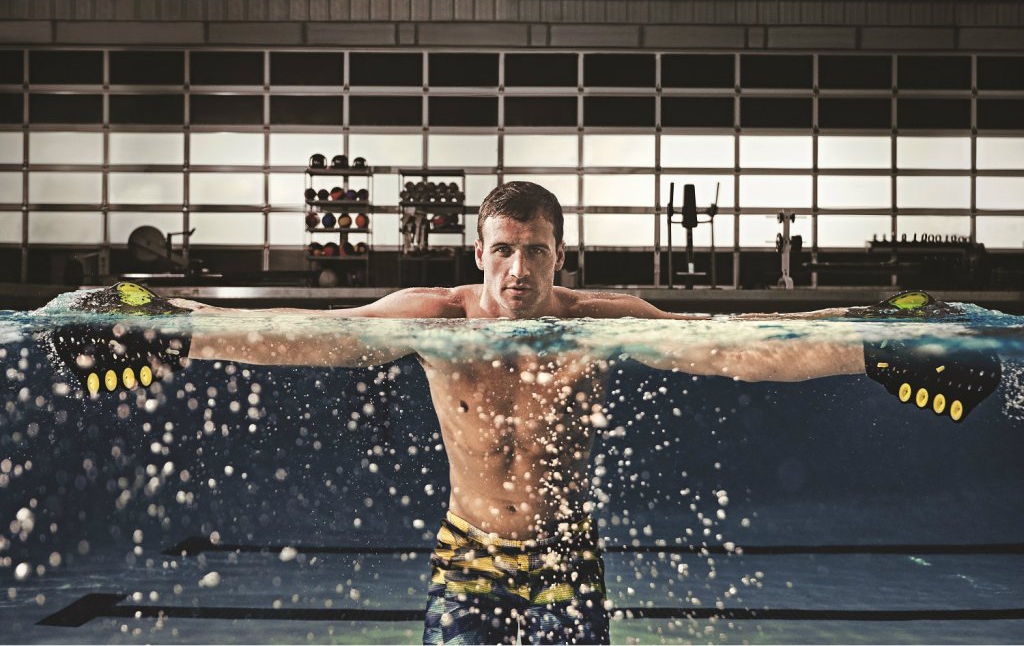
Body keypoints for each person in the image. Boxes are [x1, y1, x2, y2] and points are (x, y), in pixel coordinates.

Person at [49, 181, 1001, 645]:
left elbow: (733, 345)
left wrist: (876, 338)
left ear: (560, 256)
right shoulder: (434, 318)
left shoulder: (597, 324)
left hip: (565, 556)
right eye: (503, 249)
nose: (519, 270)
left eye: (537, 251)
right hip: (468, 555)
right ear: (479, 252)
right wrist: (169, 326)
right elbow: (313, 335)